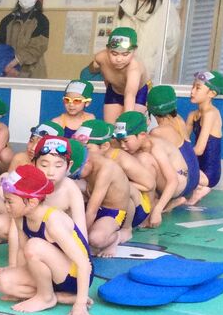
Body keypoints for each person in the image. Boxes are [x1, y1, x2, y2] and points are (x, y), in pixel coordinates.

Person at [0, 165, 94, 315]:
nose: (6, 206)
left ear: (32, 202)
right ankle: (57, 296)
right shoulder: (20, 217)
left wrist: (80, 305)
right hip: (50, 274)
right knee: (4, 282)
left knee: (34, 246)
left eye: (9, 201)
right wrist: (17, 277)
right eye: (5, 200)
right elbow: (22, 252)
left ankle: (46, 297)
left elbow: (84, 264)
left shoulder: (53, 221)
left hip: (73, 275)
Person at [74, 119, 135, 256]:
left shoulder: (106, 169)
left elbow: (92, 211)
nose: (81, 152)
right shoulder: (85, 161)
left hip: (111, 212)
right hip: (93, 206)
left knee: (95, 239)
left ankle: (118, 236)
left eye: (86, 148)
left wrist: (79, 240)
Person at [113, 110, 180, 227]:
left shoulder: (155, 148)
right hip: (161, 184)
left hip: (176, 185)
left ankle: (151, 210)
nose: (122, 145)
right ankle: (166, 203)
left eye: (126, 141)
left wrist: (157, 211)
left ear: (142, 135)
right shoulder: (134, 146)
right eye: (120, 141)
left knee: (144, 160)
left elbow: (173, 181)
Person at [117, 0, 179, 83]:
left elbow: (172, 44)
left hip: (152, 73)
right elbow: (115, 39)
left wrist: (155, 62)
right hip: (123, 70)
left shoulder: (165, 8)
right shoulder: (123, 7)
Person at [147, 85, 206, 208]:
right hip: (194, 179)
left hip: (182, 184)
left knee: (147, 160)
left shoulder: (158, 132)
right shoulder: (179, 120)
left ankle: (161, 203)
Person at [0, 0, 49, 79]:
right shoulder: (7, 20)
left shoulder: (41, 20)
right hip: (7, 73)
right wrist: (4, 66)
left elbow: (36, 48)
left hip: (33, 75)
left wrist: (14, 63)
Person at [87, 27, 148, 123]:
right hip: (114, 90)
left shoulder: (134, 68)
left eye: (125, 54)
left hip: (137, 93)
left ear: (134, 51)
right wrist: (95, 68)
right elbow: (90, 72)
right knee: (110, 127)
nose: (119, 59)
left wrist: (126, 123)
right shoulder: (100, 58)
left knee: (132, 126)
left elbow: (130, 95)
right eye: (114, 54)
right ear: (107, 50)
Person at [187, 69, 223, 199]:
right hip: (197, 169)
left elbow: (199, 149)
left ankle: (201, 187)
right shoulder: (192, 115)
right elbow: (183, 142)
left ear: (211, 93)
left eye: (198, 88)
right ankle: (197, 188)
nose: (192, 91)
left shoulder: (211, 114)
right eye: (192, 86)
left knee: (172, 171)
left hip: (209, 174)